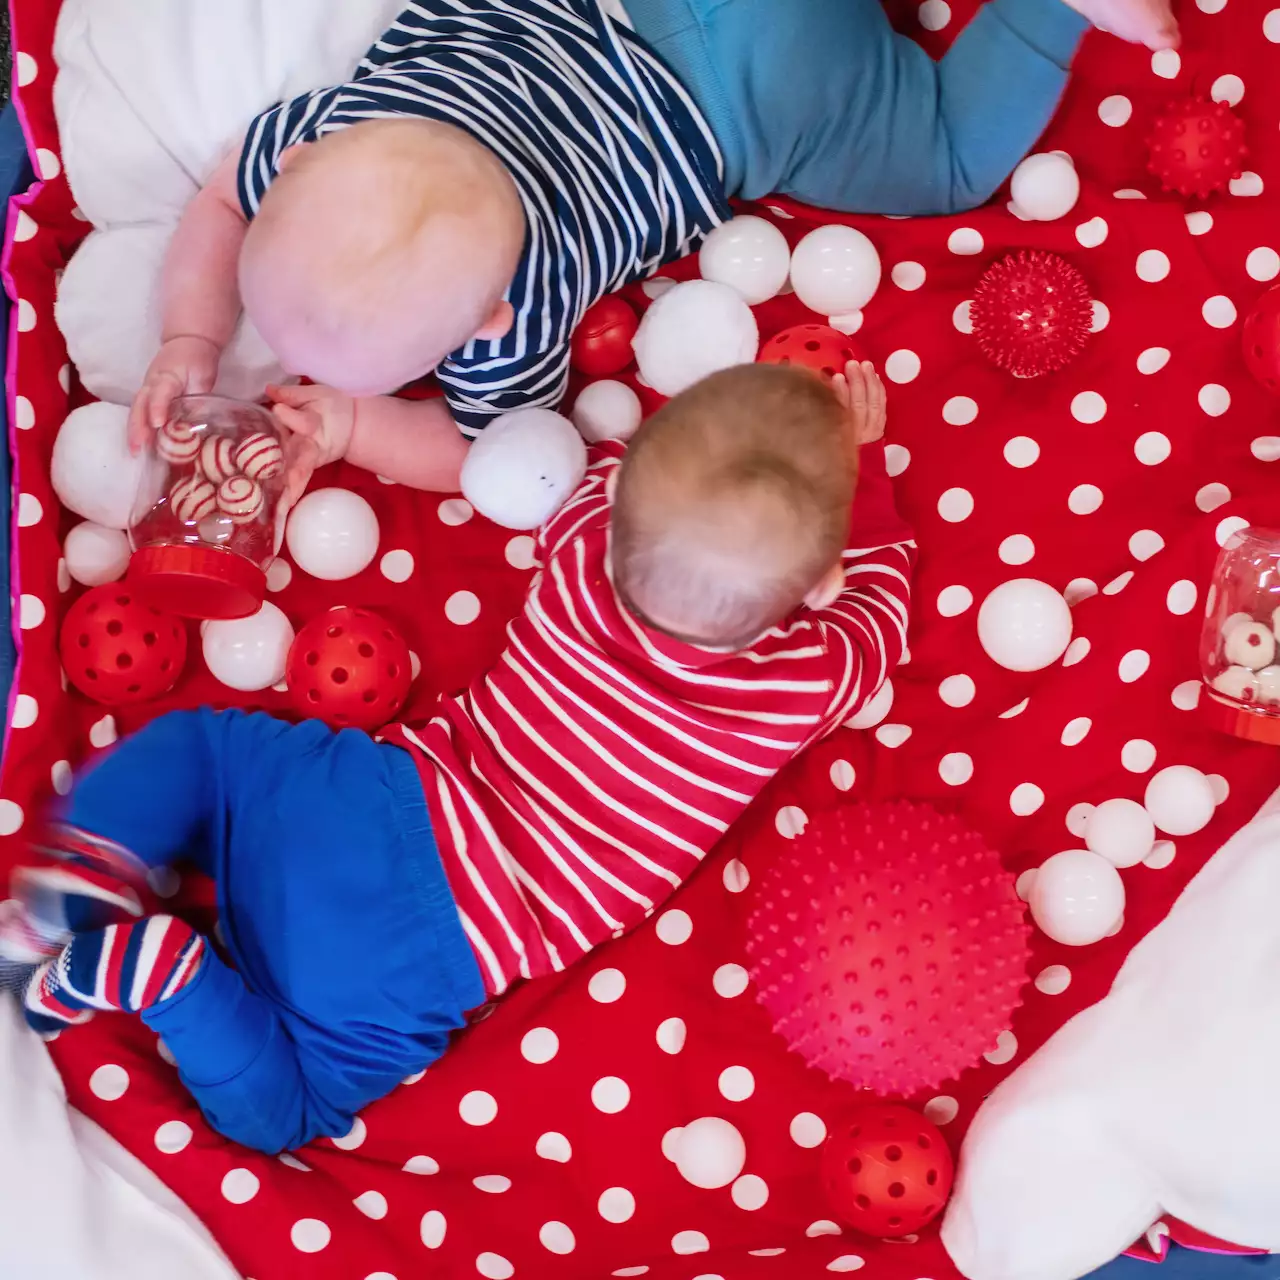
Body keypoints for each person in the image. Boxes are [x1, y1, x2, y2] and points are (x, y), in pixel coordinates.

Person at [3, 361, 914, 1153]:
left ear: (625, 479)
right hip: (438, 944)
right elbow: (880, 615)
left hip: (368, 800)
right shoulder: (800, 682)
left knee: (203, 749)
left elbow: (593, 474)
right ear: (817, 586)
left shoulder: (583, 542)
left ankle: (74, 874)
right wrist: (862, 489)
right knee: (286, 1111)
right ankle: (166, 979)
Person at [128, 0, 1177, 493]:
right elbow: (228, 197)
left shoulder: (510, 322)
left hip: (755, 102)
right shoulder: (343, 123)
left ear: (482, 323)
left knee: (945, 158)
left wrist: (358, 426)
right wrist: (193, 332)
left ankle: (1049, 11)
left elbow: (491, 463)